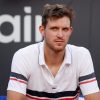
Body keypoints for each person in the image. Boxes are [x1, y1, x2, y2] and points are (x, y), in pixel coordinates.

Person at [7, 4, 100, 100]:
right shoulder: (23, 56)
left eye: (65, 29)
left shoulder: (82, 55)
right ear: (42, 30)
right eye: (54, 28)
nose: (60, 35)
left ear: (70, 31)